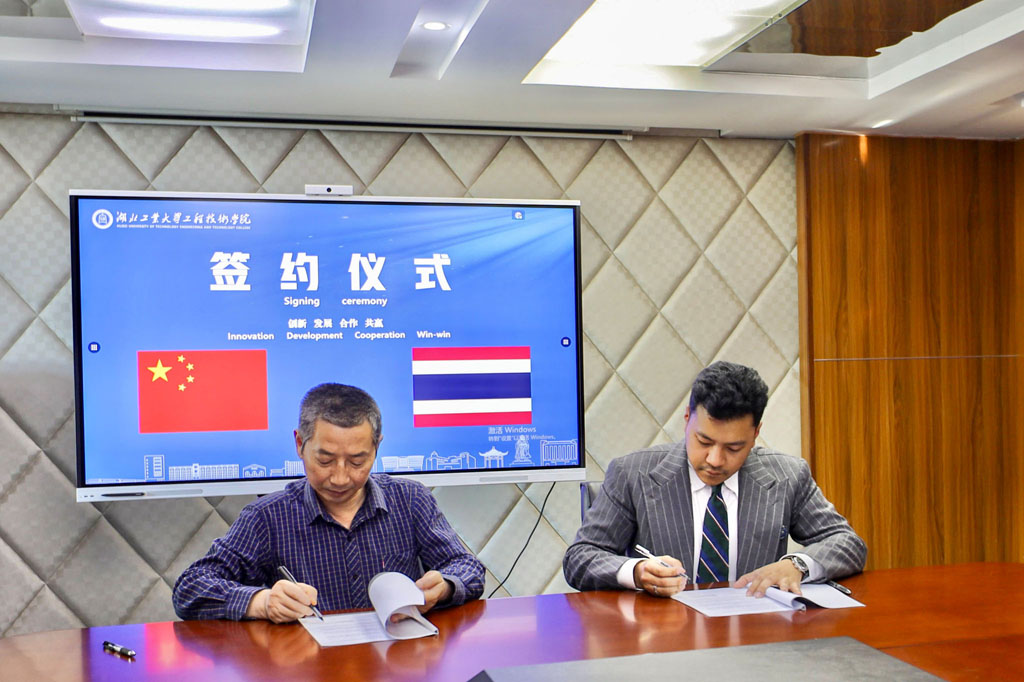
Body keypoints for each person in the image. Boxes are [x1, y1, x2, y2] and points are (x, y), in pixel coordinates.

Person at [173, 383, 485, 622]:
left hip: (399, 662)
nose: (340, 477)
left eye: (357, 461)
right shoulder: (266, 517)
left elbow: (467, 567)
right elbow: (191, 588)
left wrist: (444, 585)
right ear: (300, 444)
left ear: (377, 448)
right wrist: (262, 602)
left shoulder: (410, 499)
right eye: (325, 460)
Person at [563, 361, 866, 599]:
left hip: (758, 638)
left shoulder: (788, 476)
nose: (715, 460)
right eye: (704, 441)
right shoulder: (633, 474)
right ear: (687, 419)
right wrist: (636, 571)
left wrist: (797, 565)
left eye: (734, 448)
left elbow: (848, 544)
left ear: (755, 434)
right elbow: (580, 558)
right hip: (664, 641)